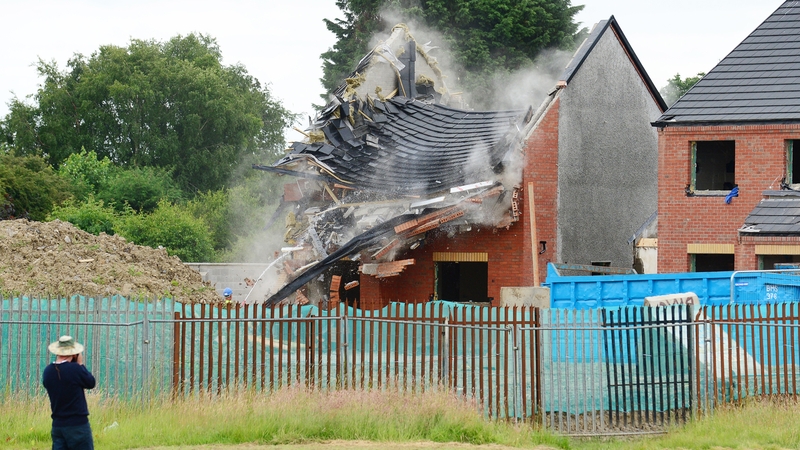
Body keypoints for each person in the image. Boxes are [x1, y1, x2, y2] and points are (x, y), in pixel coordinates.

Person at [42, 335, 96, 450]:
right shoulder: (75, 369)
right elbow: (91, 383)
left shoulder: (48, 371)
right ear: (74, 353)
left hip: (58, 425)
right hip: (78, 425)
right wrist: (80, 364)